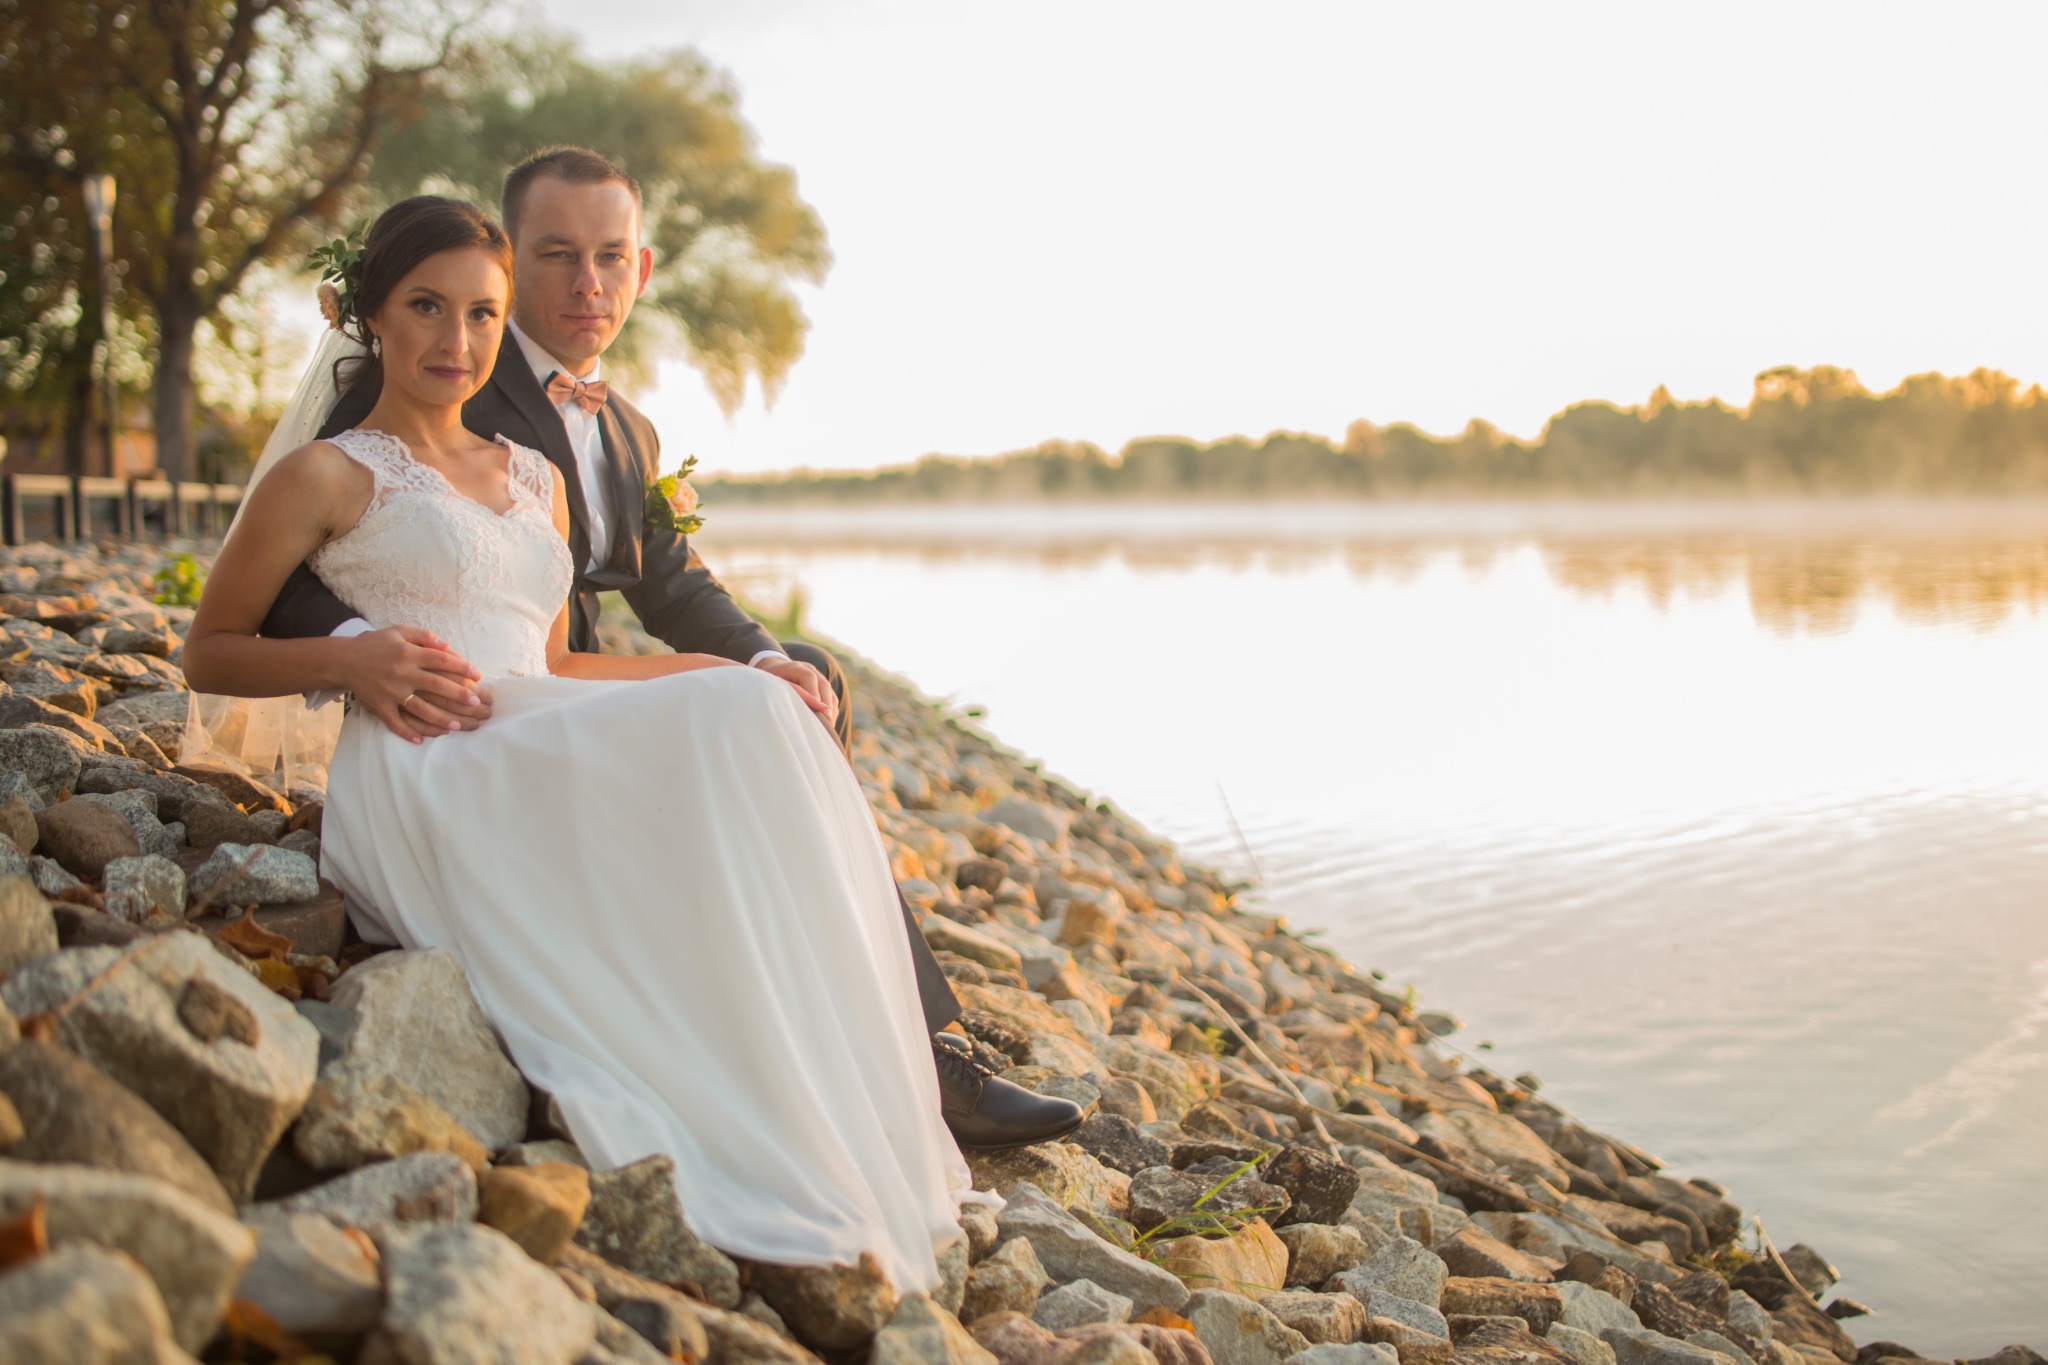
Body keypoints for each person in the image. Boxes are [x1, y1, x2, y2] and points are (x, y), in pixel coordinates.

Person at [185, 195, 998, 1291]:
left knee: (763, 715)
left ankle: (823, 1069)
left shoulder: (533, 479)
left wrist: (730, 671)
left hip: (533, 715)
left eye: (481, 314)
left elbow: (558, 664)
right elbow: (212, 649)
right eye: (426, 307)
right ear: (369, 312)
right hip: (433, 756)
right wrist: (349, 660)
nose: (456, 340)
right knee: (721, 746)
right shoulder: (329, 474)